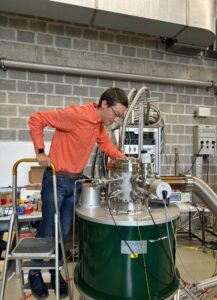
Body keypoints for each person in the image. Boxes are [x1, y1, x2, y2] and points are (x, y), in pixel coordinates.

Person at [28, 87, 128, 299]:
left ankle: (55, 272)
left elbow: (106, 145)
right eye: (116, 114)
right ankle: (34, 273)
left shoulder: (99, 125)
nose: (115, 119)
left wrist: (124, 159)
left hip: (74, 183)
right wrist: (40, 152)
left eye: (119, 117)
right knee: (47, 229)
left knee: (63, 232)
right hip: (56, 179)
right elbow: (36, 119)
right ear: (104, 105)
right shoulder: (76, 115)